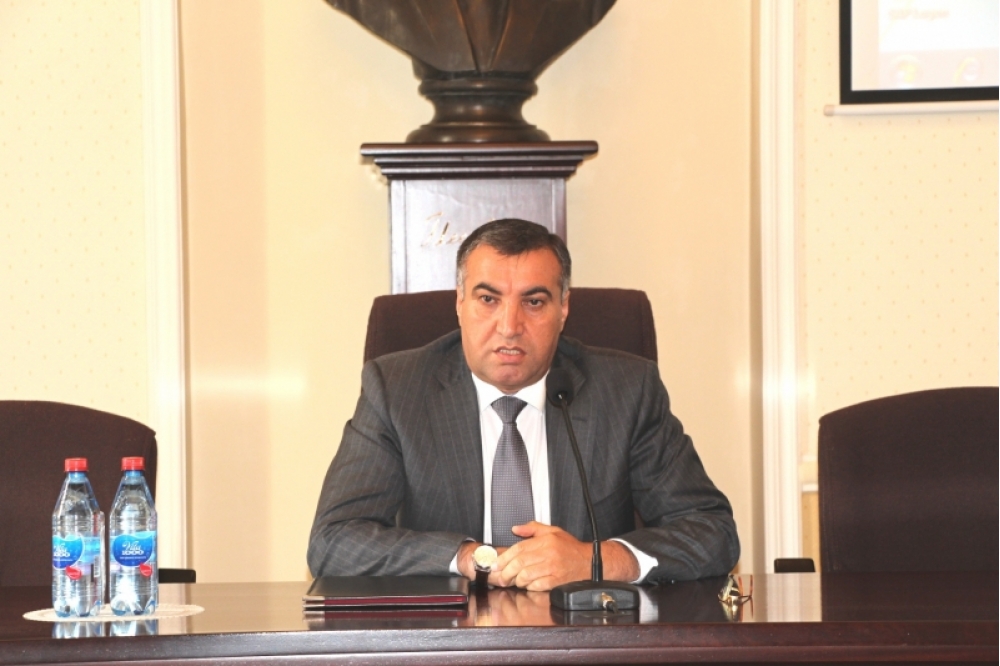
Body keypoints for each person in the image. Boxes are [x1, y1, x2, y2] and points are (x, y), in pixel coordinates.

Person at [308, 219, 739, 590]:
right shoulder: (397, 390)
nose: (510, 326)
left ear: (563, 309)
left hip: (586, 638)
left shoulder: (626, 391)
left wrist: (594, 560)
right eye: (488, 299)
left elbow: (712, 532)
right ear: (459, 303)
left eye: (533, 302)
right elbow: (334, 541)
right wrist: (472, 559)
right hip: (448, 640)